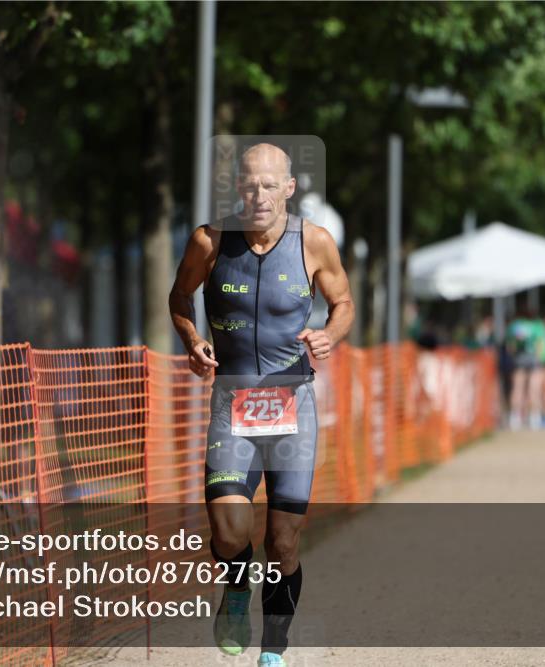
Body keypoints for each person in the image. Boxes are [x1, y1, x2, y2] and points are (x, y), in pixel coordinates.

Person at [169, 143, 354, 667]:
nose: (260, 195)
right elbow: (179, 297)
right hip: (232, 405)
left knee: (284, 542)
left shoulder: (314, 243)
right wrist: (190, 339)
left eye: (270, 185)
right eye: (250, 185)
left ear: (289, 189)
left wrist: (329, 335)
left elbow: (343, 303)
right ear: (236, 189)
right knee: (229, 533)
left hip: (292, 405)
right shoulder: (209, 241)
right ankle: (234, 589)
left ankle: (274, 647)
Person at [507, 308, 544, 431]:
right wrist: (539, 360)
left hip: (519, 359)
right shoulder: (536, 326)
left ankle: (515, 416)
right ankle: (534, 417)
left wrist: (514, 358)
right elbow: (540, 345)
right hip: (533, 359)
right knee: (534, 388)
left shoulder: (514, 326)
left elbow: (510, 347)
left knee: (517, 388)